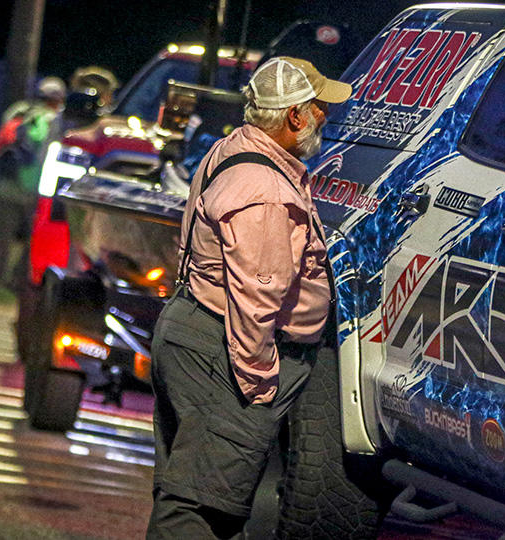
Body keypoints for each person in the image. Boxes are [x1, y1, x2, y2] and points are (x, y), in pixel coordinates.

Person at [145, 57, 351, 540]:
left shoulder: (233, 149)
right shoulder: (266, 190)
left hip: (196, 334)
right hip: (225, 356)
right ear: (295, 115)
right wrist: (258, 382)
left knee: (194, 496)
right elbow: (258, 295)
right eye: (319, 106)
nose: (326, 115)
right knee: (199, 512)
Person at [0, 76, 66, 294]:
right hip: (37, 191)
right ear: (58, 99)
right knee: (37, 242)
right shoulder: (57, 120)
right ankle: (20, 284)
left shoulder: (18, 111)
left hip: (5, 186)